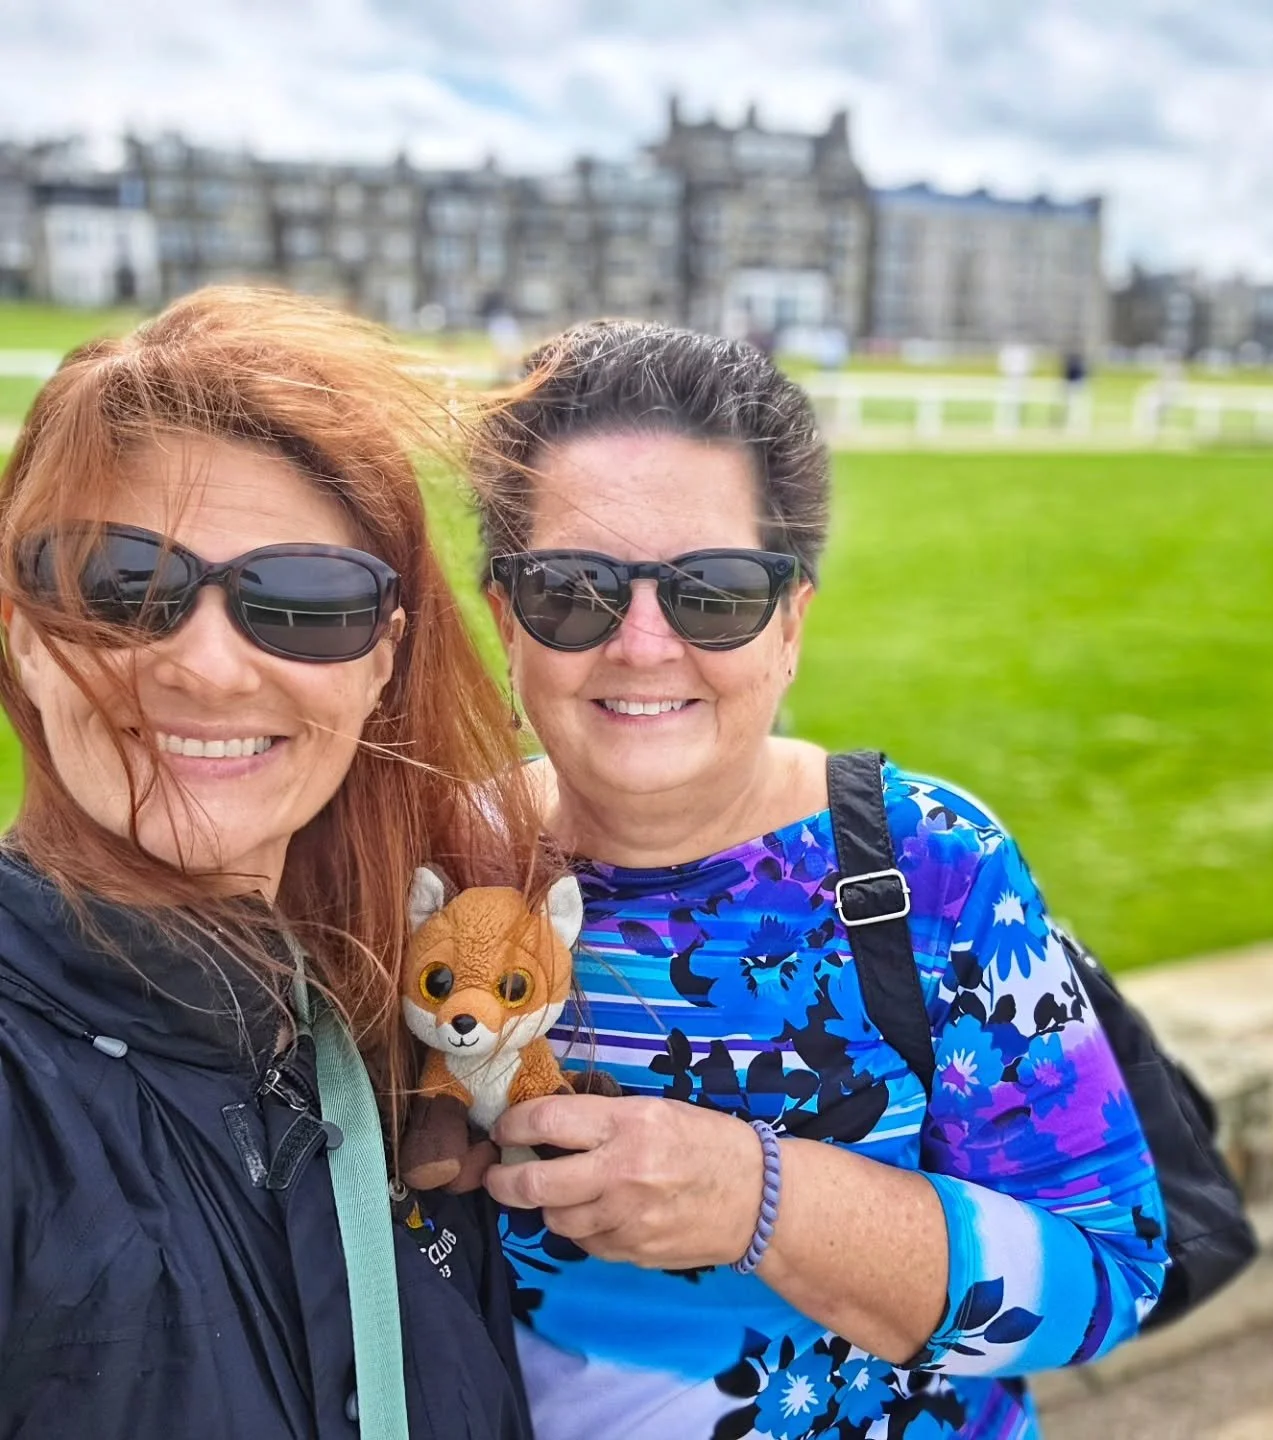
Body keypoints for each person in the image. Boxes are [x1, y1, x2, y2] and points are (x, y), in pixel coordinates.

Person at [470, 321, 1169, 1440]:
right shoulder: (448, 858)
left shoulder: (930, 866)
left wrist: (760, 1198)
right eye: (573, 588)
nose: (644, 645)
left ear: (790, 626)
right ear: (506, 622)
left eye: (715, 590)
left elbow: (1109, 1275)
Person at [0, 287, 547, 1439]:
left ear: (382, 665)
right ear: (24, 633)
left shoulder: (408, 1031)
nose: (207, 668)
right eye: (120, 585)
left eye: (303, 601)